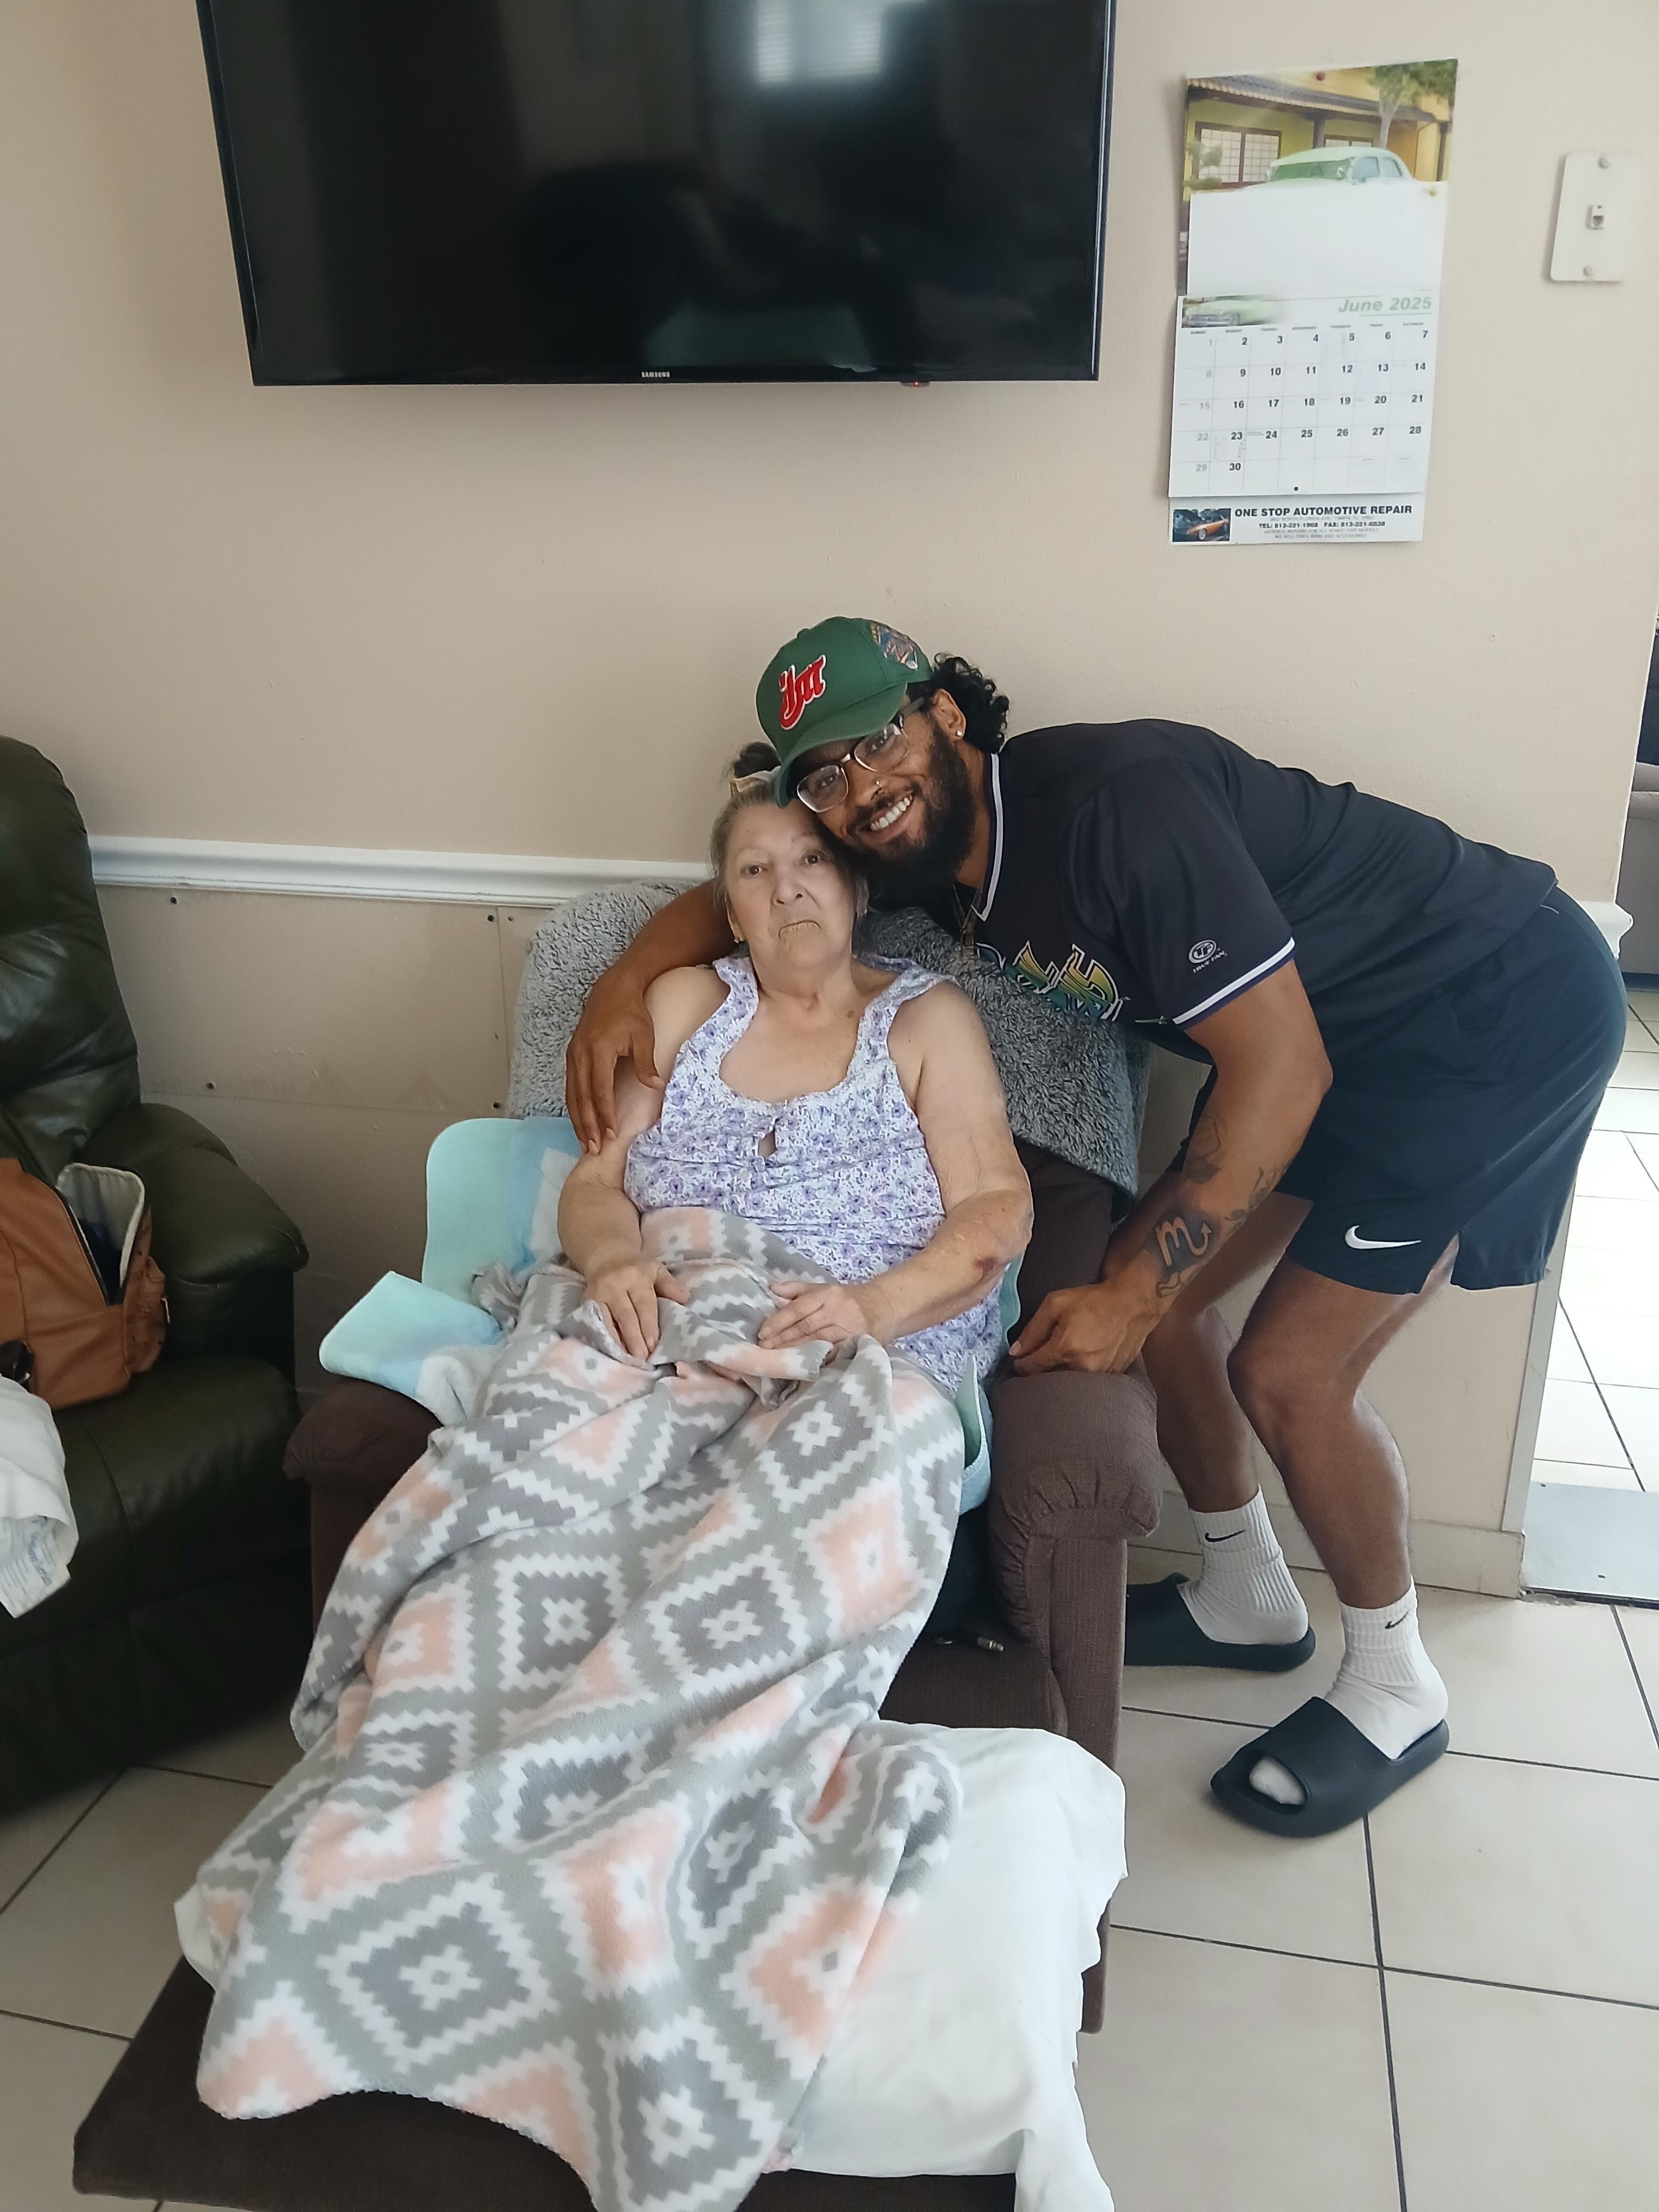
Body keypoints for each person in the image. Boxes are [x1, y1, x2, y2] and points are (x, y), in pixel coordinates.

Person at [566, 616, 1626, 1837]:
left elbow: (1279, 1068)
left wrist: (1135, 1292)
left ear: (946, 715)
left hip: (1487, 1019)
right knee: (1150, 1306)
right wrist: (613, 992)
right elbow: (761, 890)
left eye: (877, 743)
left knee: (1287, 1372)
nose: (862, 791)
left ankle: (1398, 1679)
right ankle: (1248, 1596)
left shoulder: (1116, 809)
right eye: (827, 773)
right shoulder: (929, 856)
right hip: (1332, 1046)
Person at [559, 760, 1031, 1426]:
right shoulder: (686, 1007)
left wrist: (878, 1307)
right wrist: (612, 1260)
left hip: (864, 1360)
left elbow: (998, 1207)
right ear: (730, 912)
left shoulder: (927, 1021)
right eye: (755, 870)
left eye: (812, 859)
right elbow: (595, 1184)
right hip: (667, 1339)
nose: (786, 890)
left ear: (856, 888)